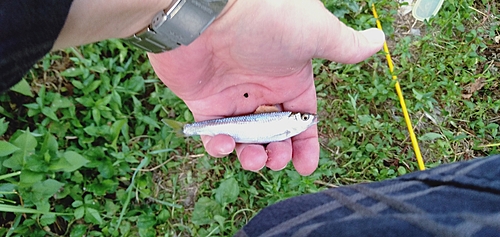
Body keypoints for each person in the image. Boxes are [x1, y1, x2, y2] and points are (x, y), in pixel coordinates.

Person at [2, 0, 499, 236]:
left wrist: (220, 10)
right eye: (299, 117)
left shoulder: (288, 123)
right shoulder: (289, 121)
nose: (299, 119)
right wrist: (223, 12)